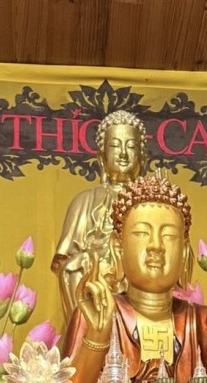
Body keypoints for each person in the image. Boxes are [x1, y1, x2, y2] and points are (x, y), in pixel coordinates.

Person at [57, 173, 207, 383]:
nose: (156, 246)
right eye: (142, 233)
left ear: (185, 251)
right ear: (118, 246)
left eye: (169, 235)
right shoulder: (97, 312)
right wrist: (98, 335)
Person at [52, 109, 149, 323]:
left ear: (142, 156)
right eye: (115, 145)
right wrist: (94, 264)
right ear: (101, 156)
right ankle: (85, 331)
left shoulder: (152, 205)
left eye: (131, 146)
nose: (123, 153)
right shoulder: (84, 201)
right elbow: (64, 263)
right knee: (74, 266)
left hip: (140, 288)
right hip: (95, 290)